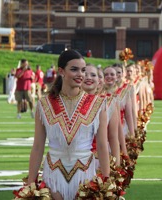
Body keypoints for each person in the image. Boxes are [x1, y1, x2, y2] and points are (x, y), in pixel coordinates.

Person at [27, 50, 110, 200]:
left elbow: (103, 145)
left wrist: (106, 182)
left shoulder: (98, 104)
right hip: (54, 174)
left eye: (83, 70)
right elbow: (38, 146)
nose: (80, 74)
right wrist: (30, 183)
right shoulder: (44, 104)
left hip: (85, 174)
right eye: (74, 69)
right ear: (61, 71)